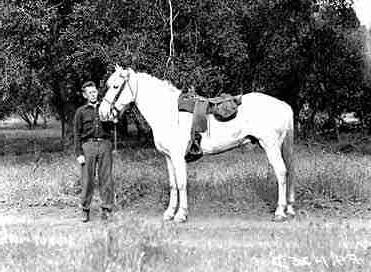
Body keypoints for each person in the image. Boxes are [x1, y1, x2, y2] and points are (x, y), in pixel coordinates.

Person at [74, 81, 115, 222]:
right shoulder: (81, 111)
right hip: (88, 147)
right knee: (87, 180)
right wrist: (79, 153)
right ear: (85, 95)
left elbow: (111, 127)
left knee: (106, 178)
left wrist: (112, 119)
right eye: (90, 92)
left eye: (95, 91)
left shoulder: (105, 107)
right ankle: (85, 210)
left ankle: (107, 209)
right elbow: (77, 134)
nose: (93, 94)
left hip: (104, 145)